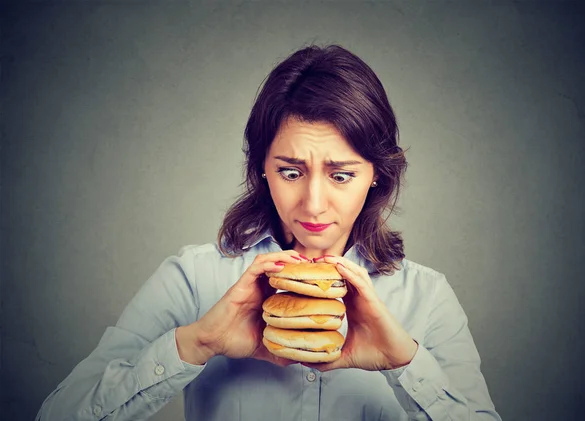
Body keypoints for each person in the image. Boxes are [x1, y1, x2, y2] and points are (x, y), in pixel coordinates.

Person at [36, 44, 502, 421]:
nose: (314, 204)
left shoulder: (427, 298)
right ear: (261, 167)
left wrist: (406, 364)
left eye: (341, 175)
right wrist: (193, 344)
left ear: (377, 173)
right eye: (291, 172)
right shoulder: (193, 279)